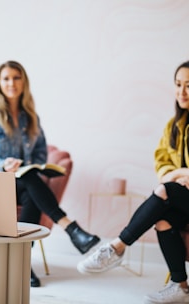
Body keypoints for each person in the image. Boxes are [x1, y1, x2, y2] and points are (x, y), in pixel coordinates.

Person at [0, 60, 100, 287]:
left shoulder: (31, 118)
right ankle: (71, 229)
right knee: (30, 182)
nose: (11, 83)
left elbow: (39, 154)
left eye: (16, 78)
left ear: (24, 82)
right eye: (6, 78)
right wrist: (3, 164)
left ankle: (21, 263)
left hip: (22, 185)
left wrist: (32, 165)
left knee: (30, 183)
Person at [77, 60, 189, 304]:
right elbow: (162, 164)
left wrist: (176, 176)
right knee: (162, 219)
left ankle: (116, 247)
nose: (182, 91)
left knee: (164, 191)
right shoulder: (174, 126)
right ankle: (180, 285)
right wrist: (181, 172)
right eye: (178, 84)